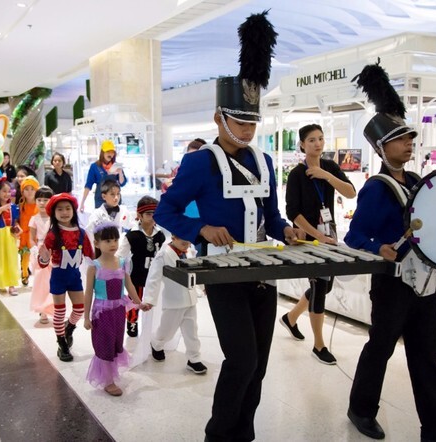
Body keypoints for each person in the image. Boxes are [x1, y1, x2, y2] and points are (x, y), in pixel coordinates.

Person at [154, 12, 303, 441]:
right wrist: (200, 230)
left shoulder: (266, 162)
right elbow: (166, 210)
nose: (248, 131)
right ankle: (219, 434)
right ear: (218, 118)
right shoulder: (200, 162)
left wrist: (287, 230)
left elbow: (271, 216)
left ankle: (245, 432)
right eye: (240, 122)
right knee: (241, 360)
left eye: (253, 123)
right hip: (222, 274)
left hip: (264, 274)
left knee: (260, 363)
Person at [344, 62, 436, 441]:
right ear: (382, 147)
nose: (409, 143)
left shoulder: (416, 181)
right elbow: (354, 236)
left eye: (410, 138)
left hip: (425, 286)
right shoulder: (375, 189)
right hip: (392, 285)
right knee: (380, 349)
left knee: (428, 360)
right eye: (400, 139)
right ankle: (361, 409)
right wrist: (378, 247)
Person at [280, 123, 356, 365]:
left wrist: (327, 176)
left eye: (321, 138)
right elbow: (294, 212)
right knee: (320, 287)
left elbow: (351, 193)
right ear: (302, 144)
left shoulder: (330, 167)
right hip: (309, 240)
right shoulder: (295, 174)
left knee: (326, 286)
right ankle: (319, 345)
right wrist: (317, 236)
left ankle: (291, 318)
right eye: (311, 139)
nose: (317, 143)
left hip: (329, 236)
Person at [83, 222, 144, 396]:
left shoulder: (123, 262)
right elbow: (88, 293)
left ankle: (111, 373)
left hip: (118, 310)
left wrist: (139, 302)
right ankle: (108, 381)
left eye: (115, 239)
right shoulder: (94, 266)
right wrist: (86, 317)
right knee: (104, 344)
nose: (113, 244)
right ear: (97, 244)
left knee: (116, 341)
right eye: (108, 240)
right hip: (102, 312)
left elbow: (129, 285)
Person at [38, 193, 94, 362]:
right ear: (53, 213)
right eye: (60, 209)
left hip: (74, 276)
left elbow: (91, 255)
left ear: (74, 210)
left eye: (67, 208)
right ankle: (62, 343)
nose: (64, 212)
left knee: (79, 309)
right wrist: (45, 257)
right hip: (58, 277)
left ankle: (69, 327)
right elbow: (42, 262)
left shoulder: (82, 233)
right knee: (59, 311)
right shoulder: (52, 234)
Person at [143, 234, 207, 375]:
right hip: (174, 301)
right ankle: (156, 343)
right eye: (183, 242)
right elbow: (154, 277)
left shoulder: (189, 252)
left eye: (188, 242)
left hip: (190, 300)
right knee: (167, 330)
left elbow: (196, 271)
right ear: (173, 237)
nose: (186, 245)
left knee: (192, 331)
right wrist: (149, 299)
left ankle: (194, 358)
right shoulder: (163, 255)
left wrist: (203, 287)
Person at [119, 196, 166, 337]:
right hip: (138, 274)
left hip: (155, 275)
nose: (152, 217)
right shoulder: (132, 235)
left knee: (155, 300)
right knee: (135, 300)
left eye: (154, 214)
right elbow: (120, 256)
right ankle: (132, 323)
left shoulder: (160, 235)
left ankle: (154, 326)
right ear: (139, 215)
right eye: (148, 214)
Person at [0, 178, 21, 295]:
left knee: (12, 258)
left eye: (9, 191)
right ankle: (0, 283)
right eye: (4, 191)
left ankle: (12, 285)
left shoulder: (13, 206)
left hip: (10, 234)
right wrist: (1, 209)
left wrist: (17, 229)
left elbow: (15, 221)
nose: (7, 194)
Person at [29, 186, 54, 324]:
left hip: (53, 251)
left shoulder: (54, 218)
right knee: (41, 282)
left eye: (46, 199)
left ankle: (52, 307)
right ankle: (42, 309)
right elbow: (32, 238)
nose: (42, 203)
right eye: (39, 199)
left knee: (53, 281)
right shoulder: (34, 219)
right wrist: (34, 249)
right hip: (40, 251)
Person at [80, 140, 127, 211]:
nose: (110, 154)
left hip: (115, 200)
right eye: (107, 152)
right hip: (100, 201)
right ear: (102, 153)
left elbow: (122, 183)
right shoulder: (94, 167)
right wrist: (82, 203)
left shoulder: (116, 166)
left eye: (112, 152)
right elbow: (88, 185)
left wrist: (120, 173)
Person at [18, 176, 39, 286]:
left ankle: (39, 276)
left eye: (32, 189)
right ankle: (24, 274)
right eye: (26, 189)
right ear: (22, 191)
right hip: (24, 234)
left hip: (36, 235)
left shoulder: (39, 205)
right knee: (25, 256)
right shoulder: (21, 205)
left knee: (36, 256)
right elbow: (17, 219)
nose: (30, 192)